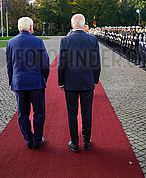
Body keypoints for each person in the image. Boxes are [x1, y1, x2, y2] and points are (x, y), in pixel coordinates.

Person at [58, 14, 101, 153]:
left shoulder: (65, 40)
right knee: (86, 112)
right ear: (83, 25)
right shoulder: (92, 39)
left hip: (70, 82)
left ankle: (75, 143)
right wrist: (95, 80)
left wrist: (61, 82)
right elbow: (97, 63)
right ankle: (87, 141)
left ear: (72, 25)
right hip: (87, 81)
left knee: (72, 113)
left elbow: (61, 65)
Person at [6, 17, 50, 150]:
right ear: (30, 27)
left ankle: (28, 139)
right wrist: (44, 78)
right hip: (36, 83)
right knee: (39, 113)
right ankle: (37, 139)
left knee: (23, 114)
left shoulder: (11, 43)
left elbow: (9, 66)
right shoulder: (38, 41)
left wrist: (12, 82)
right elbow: (45, 64)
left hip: (19, 83)